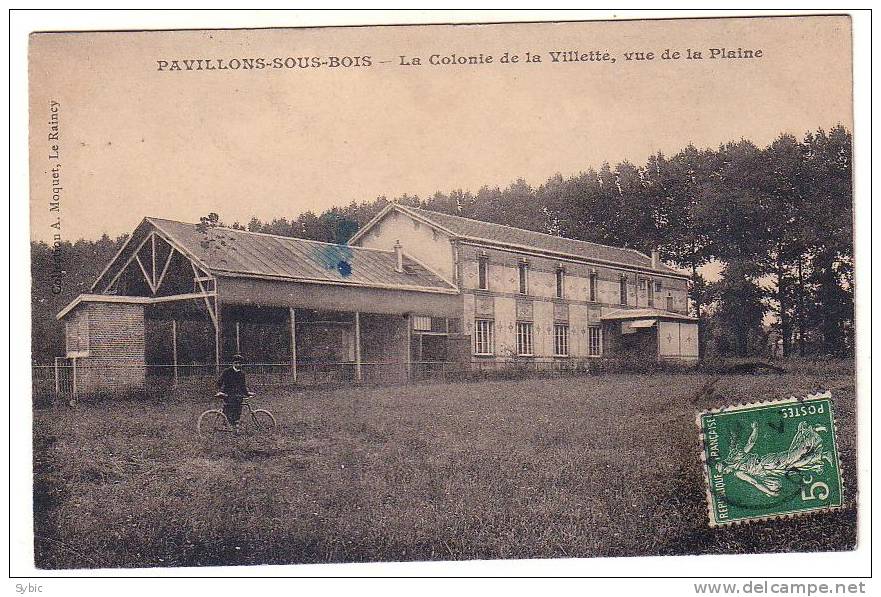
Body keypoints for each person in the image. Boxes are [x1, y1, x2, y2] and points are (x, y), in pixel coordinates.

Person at [217, 354, 250, 429]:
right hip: (228, 393)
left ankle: (235, 425)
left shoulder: (242, 374)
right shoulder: (227, 372)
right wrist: (219, 391)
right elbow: (219, 382)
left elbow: (243, 386)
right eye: (236, 363)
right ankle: (225, 424)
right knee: (228, 409)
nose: (238, 364)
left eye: (239, 363)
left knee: (238, 409)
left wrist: (247, 393)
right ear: (233, 363)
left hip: (238, 395)